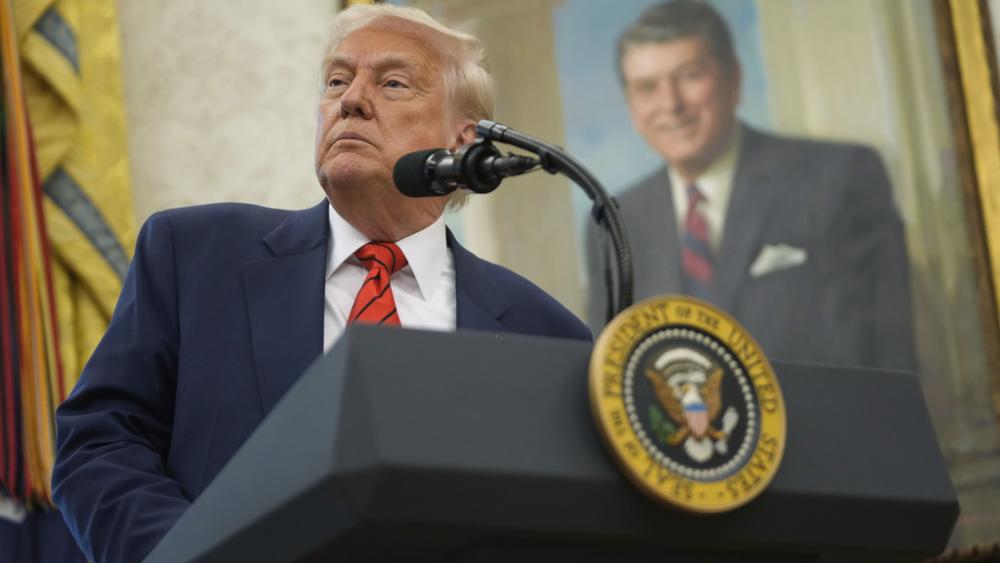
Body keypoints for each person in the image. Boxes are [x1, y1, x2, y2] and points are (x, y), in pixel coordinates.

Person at [51, 5, 591, 563]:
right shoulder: (194, 256)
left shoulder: (544, 335)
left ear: (462, 141)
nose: (350, 100)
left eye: (393, 83)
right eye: (337, 80)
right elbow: (99, 444)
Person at [587, 0, 914, 371]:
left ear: (734, 80)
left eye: (690, 75)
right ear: (631, 106)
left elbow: (890, 359)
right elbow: (609, 372)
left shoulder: (839, 177)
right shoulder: (617, 219)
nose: (671, 104)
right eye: (647, 88)